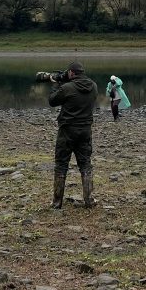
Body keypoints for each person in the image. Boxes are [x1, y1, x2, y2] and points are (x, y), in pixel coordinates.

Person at [48, 62, 99, 209]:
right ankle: (89, 200)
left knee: (61, 164)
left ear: (71, 72)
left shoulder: (67, 88)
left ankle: (57, 202)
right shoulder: (93, 86)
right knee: (85, 164)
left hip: (67, 129)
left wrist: (56, 83)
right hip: (85, 129)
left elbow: (52, 101)